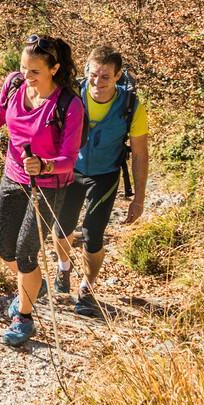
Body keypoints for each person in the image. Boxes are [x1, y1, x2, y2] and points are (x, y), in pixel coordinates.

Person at [0, 33, 83, 348]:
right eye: (24, 68)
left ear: (53, 69)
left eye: (34, 71)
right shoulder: (14, 84)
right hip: (13, 177)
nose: (26, 76)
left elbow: (69, 157)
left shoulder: (69, 105)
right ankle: (31, 285)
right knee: (4, 248)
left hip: (47, 185)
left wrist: (45, 165)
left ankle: (23, 318)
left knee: (26, 254)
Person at [52, 46, 149, 317]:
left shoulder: (130, 106)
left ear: (118, 76)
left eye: (105, 77)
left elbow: (140, 155)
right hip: (70, 170)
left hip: (105, 174)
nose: (98, 82)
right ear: (86, 71)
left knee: (93, 233)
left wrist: (138, 199)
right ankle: (63, 268)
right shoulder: (71, 97)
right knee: (61, 227)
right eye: (93, 75)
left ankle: (86, 289)